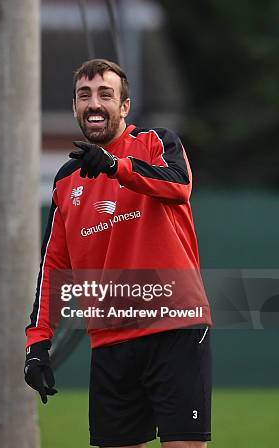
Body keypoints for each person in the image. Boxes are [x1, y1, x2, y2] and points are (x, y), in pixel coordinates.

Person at [24, 58, 212, 448]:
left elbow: (179, 185)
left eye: (105, 95)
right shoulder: (66, 180)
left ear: (124, 106)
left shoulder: (156, 142)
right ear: (75, 108)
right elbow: (53, 268)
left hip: (173, 326)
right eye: (84, 95)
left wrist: (115, 166)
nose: (94, 103)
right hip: (111, 339)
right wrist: (38, 342)